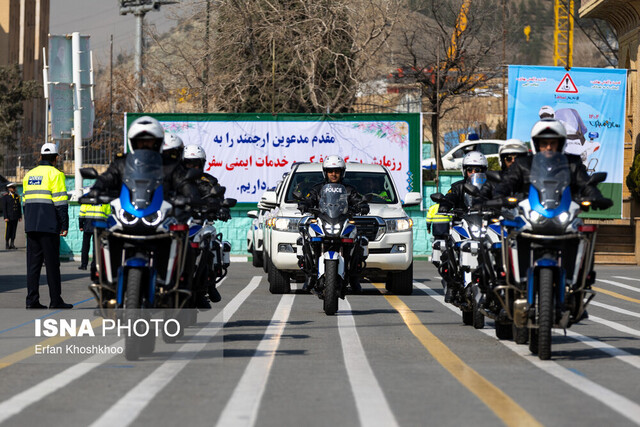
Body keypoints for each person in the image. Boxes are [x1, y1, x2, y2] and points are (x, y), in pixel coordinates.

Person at [493, 118, 612, 208]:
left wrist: (596, 197)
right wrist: (499, 197)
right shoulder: (523, 164)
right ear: (536, 144)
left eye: (553, 143)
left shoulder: (573, 163)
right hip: (530, 214)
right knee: (512, 235)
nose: (548, 147)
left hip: (563, 214)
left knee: (582, 234)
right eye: (544, 143)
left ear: (560, 144)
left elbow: (586, 184)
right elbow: (508, 182)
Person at [298, 155, 369, 293]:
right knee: (306, 240)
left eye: (337, 171)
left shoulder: (349, 189)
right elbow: (310, 199)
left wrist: (362, 205)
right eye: (330, 171)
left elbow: (357, 200)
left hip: (341, 220)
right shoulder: (317, 189)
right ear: (325, 172)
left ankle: (353, 277)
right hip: (323, 220)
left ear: (342, 172)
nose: (334, 174)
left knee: (358, 242)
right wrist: (304, 204)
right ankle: (310, 276)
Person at [89, 116, 200, 203]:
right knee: (105, 229)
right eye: (140, 141)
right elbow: (108, 177)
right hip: (127, 212)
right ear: (133, 142)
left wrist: (191, 195)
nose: (145, 144)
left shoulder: (170, 164)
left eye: (149, 141)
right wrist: (97, 188)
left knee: (179, 229)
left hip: (162, 215)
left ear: (157, 142)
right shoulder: (121, 163)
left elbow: (183, 182)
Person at [22, 143, 72, 309]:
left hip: (31, 226)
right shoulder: (56, 174)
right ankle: (55, 300)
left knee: (33, 266)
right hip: (49, 226)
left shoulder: (29, 175)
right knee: (52, 265)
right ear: (56, 158)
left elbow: (25, 202)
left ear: (41, 156)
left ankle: (32, 300)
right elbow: (60, 202)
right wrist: (64, 225)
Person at [182, 144, 228, 307]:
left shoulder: (209, 181)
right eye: (189, 163)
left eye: (196, 163)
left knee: (210, 245)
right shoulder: (177, 180)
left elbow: (218, 199)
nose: (192, 167)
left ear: (202, 163)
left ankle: (208, 286)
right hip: (179, 222)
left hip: (199, 223)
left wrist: (221, 208)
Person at [78, 198, 110, 271]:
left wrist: (81, 225)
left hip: (88, 225)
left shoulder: (87, 200)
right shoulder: (105, 201)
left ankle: (84, 265)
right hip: (99, 226)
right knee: (96, 247)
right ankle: (94, 265)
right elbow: (108, 215)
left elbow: (82, 213)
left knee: (85, 246)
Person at [2, 182, 21, 249]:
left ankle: (12, 243)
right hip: (9, 217)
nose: (15, 189)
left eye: (14, 188)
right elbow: (4, 208)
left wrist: (20, 216)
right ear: (9, 189)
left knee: (14, 230)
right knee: (8, 230)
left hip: (15, 216)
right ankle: (7, 243)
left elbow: (18, 207)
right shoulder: (6, 197)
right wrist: (6, 217)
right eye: (13, 188)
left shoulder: (16, 196)